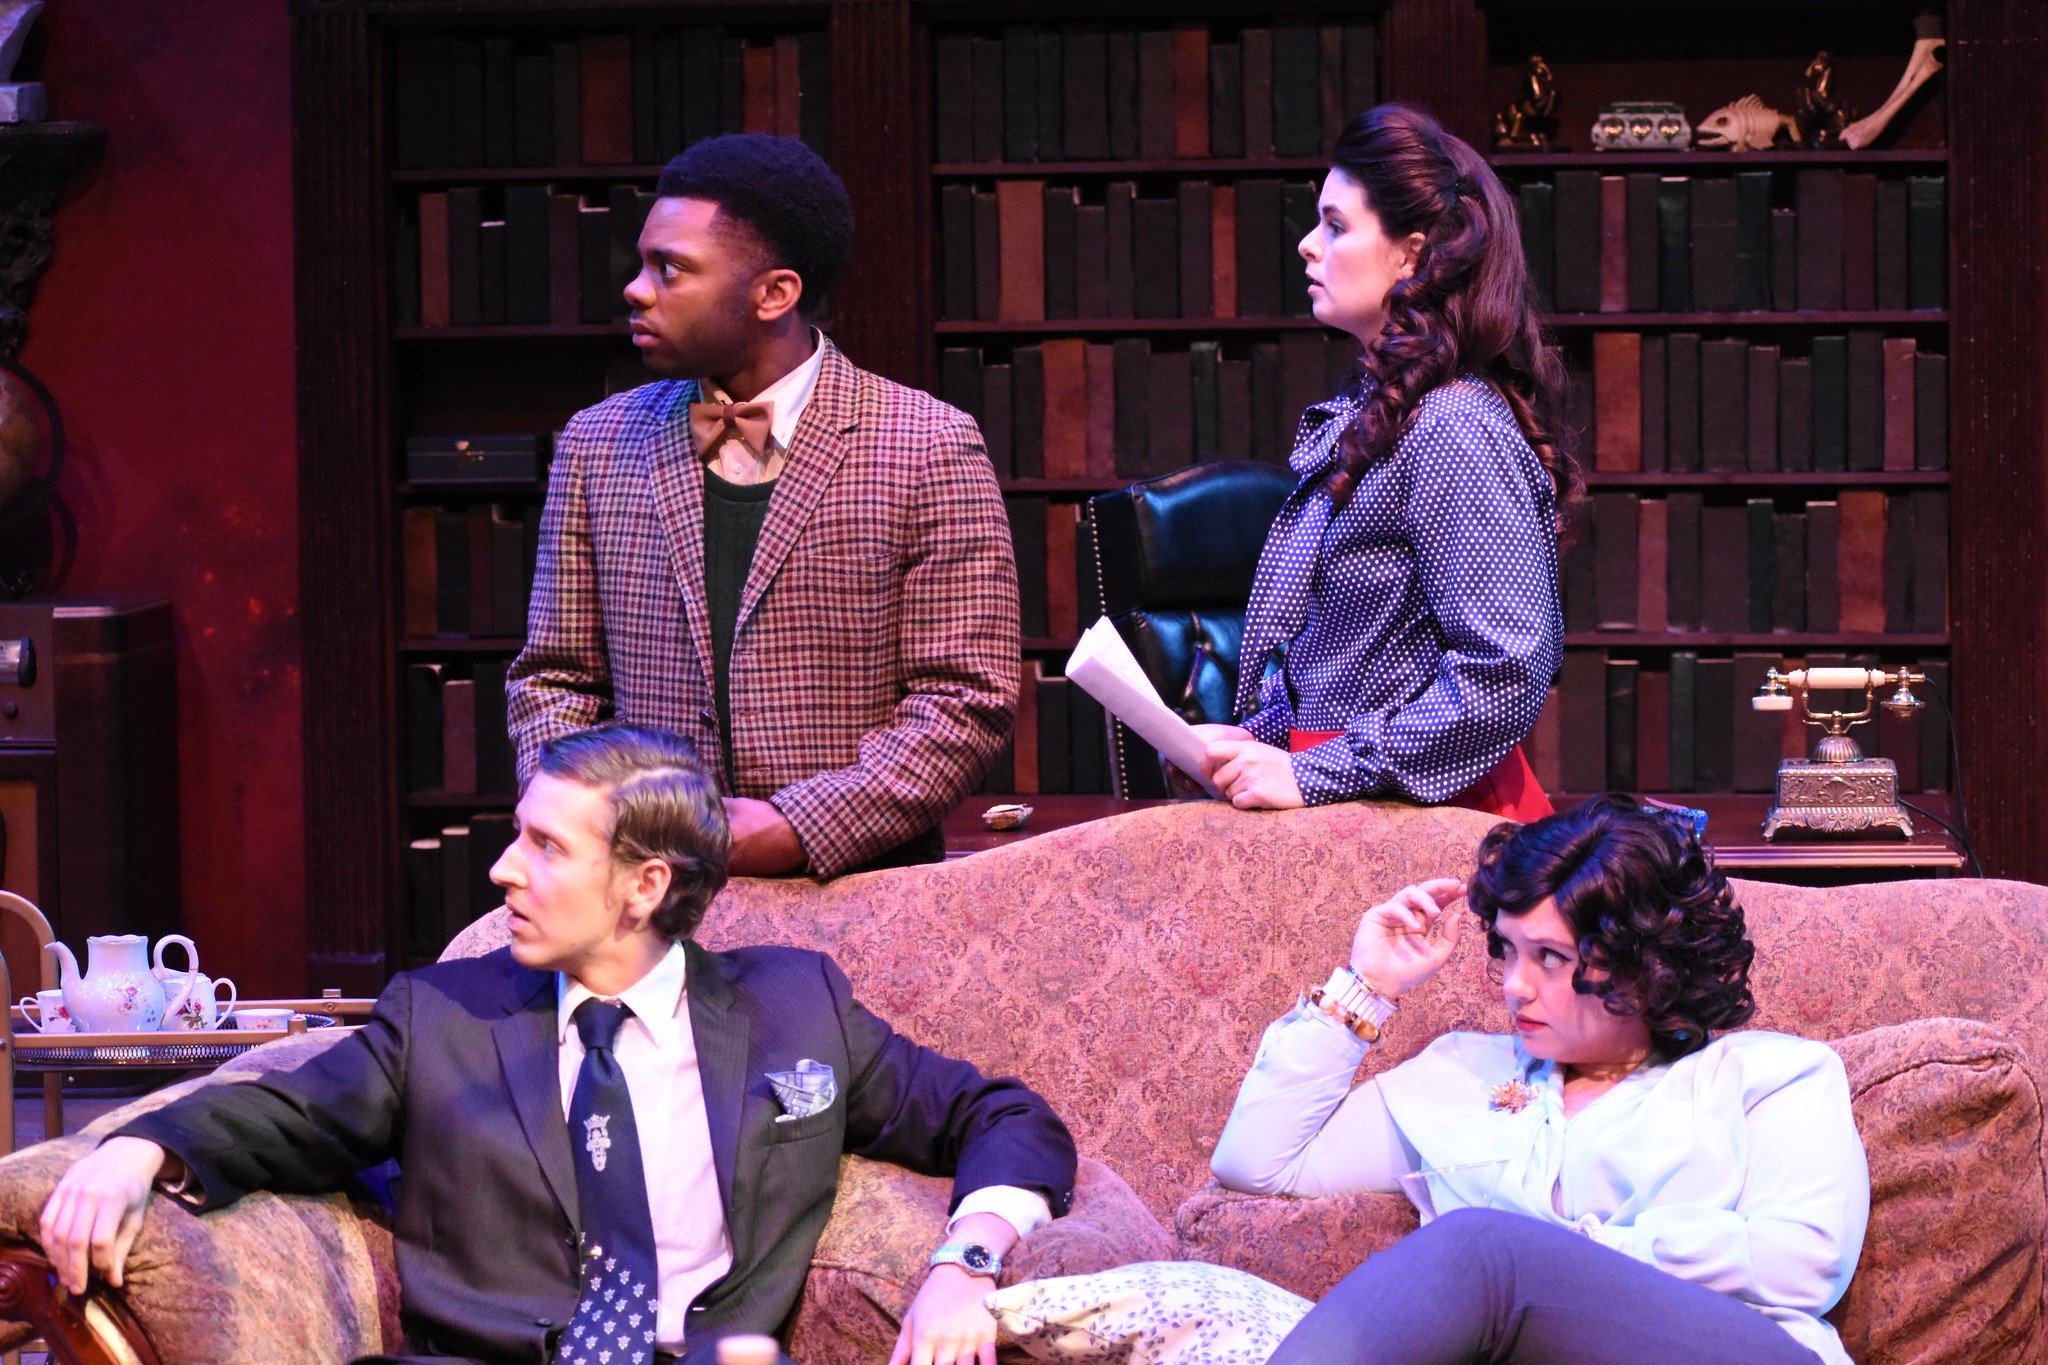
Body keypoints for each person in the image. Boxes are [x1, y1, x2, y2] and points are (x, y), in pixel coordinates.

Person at [40, 723, 1076, 1365]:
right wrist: (136, 1149)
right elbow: (282, 1111)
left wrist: (962, 1265)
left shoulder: (793, 1009)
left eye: (544, 847)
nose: (500, 871)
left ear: (644, 885)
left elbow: (1005, 1118)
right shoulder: (443, 1016)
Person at [507, 133, 1018, 879]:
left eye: (671, 269)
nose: (636, 289)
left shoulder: (927, 445)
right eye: (644, 263)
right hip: (647, 889)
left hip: (859, 891)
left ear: (774, 293)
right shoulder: (598, 442)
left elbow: (964, 698)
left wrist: (800, 825)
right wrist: (604, 818)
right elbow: (555, 679)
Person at [1211, 794, 1867, 1364]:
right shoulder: (1458, 1073)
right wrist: (1366, 988)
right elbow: (1257, 1165)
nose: (1515, 984)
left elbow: (1805, 1262)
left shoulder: (1772, 1075)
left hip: (1746, 1352)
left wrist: (1561, 1256)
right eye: (1508, 950)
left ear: (1644, 964)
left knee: (1480, 1244)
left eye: (1550, 957)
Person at [1193, 103, 1579, 819]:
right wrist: (1248, 741)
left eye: (1336, 225)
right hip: (1361, 806)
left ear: (1412, 253)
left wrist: (1317, 773)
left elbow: (1506, 670)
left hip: (1438, 823)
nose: (1308, 245)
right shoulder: (1387, 415)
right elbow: (1351, 665)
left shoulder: (1454, 425)